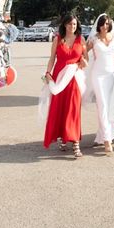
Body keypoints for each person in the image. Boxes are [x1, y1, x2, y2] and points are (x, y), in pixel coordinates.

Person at [43, 13, 87, 158]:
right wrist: (48, 72)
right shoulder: (58, 39)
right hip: (59, 77)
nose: (72, 27)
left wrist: (84, 62)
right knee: (60, 108)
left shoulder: (81, 39)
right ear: (64, 25)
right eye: (69, 24)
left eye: (74, 24)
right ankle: (62, 137)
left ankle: (75, 143)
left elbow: (85, 59)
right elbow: (52, 58)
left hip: (74, 77)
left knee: (73, 108)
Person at [86, 13, 114, 154]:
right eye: (102, 23)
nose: (105, 26)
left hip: (112, 75)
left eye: (107, 24)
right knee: (102, 105)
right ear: (99, 25)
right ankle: (107, 140)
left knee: (110, 105)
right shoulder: (94, 39)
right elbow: (84, 51)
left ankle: (102, 134)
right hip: (98, 75)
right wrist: (83, 61)